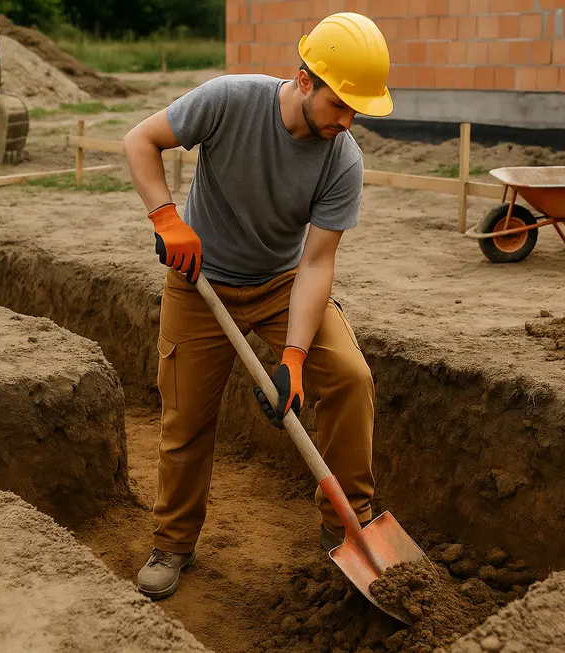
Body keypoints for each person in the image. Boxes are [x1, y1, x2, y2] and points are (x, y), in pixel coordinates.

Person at [122, 12, 393, 600]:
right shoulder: (227, 101)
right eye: (340, 105)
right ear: (304, 81)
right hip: (200, 285)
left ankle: (347, 524)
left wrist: (293, 357)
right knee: (187, 418)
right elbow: (139, 140)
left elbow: (318, 262)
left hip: (282, 285)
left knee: (349, 376)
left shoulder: (342, 158)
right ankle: (173, 542)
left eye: (357, 111)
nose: (347, 122)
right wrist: (167, 219)